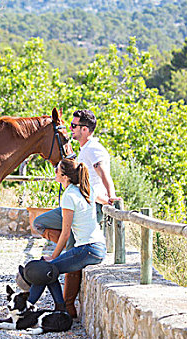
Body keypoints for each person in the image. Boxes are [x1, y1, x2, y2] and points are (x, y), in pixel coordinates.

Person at [32, 109, 119, 317]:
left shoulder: (93, 149)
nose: (70, 129)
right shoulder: (84, 149)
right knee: (43, 224)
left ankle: (66, 306)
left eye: (74, 126)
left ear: (85, 130)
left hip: (88, 206)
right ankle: (63, 302)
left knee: (61, 254)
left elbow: (103, 173)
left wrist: (111, 196)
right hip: (85, 202)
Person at [20, 158, 107, 312]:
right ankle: (59, 307)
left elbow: (66, 233)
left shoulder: (69, 195)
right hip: (97, 247)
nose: (55, 172)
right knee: (49, 270)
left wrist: (54, 256)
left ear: (65, 177)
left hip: (87, 249)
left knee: (46, 269)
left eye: (57, 170)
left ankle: (27, 309)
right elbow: (100, 199)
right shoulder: (86, 189)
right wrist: (110, 200)